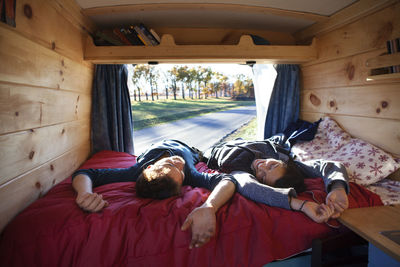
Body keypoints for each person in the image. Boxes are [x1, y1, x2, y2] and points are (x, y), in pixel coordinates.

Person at [71, 139, 335, 249]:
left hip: (182, 147)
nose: (177, 162)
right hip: (181, 150)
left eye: (175, 165)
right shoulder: (181, 171)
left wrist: (209, 205)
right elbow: (86, 174)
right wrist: (83, 194)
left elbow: (88, 175)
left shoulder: (155, 169)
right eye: (178, 169)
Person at [202, 138, 350, 219]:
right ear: (282, 162)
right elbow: (328, 165)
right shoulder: (284, 159)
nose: (262, 167)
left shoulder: (239, 170)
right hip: (242, 141)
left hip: (214, 150)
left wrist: (301, 204)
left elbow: (249, 186)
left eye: (263, 176)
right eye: (272, 166)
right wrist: (338, 187)